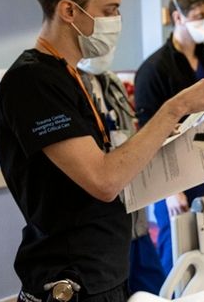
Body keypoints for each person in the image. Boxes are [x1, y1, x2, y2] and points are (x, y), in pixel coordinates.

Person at [0, 0, 204, 302]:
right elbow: (103, 179)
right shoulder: (32, 81)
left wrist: (168, 137)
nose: (117, 19)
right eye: (110, 10)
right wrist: (174, 108)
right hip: (72, 280)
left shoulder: (69, 77)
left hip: (105, 270)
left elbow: (109, 161)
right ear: (69, 11)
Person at [134, 0, 204, 275]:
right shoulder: (154, 69)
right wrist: (172, 191)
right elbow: (149, 133)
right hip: (173, 177)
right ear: (178, 17)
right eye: (199, 16)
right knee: (175, 257)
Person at [78, 50, 166, 295]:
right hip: (101, 235)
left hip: (135, 224)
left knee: (153, 293)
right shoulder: (68, 88)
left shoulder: (112, 83)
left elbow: (129, 138)